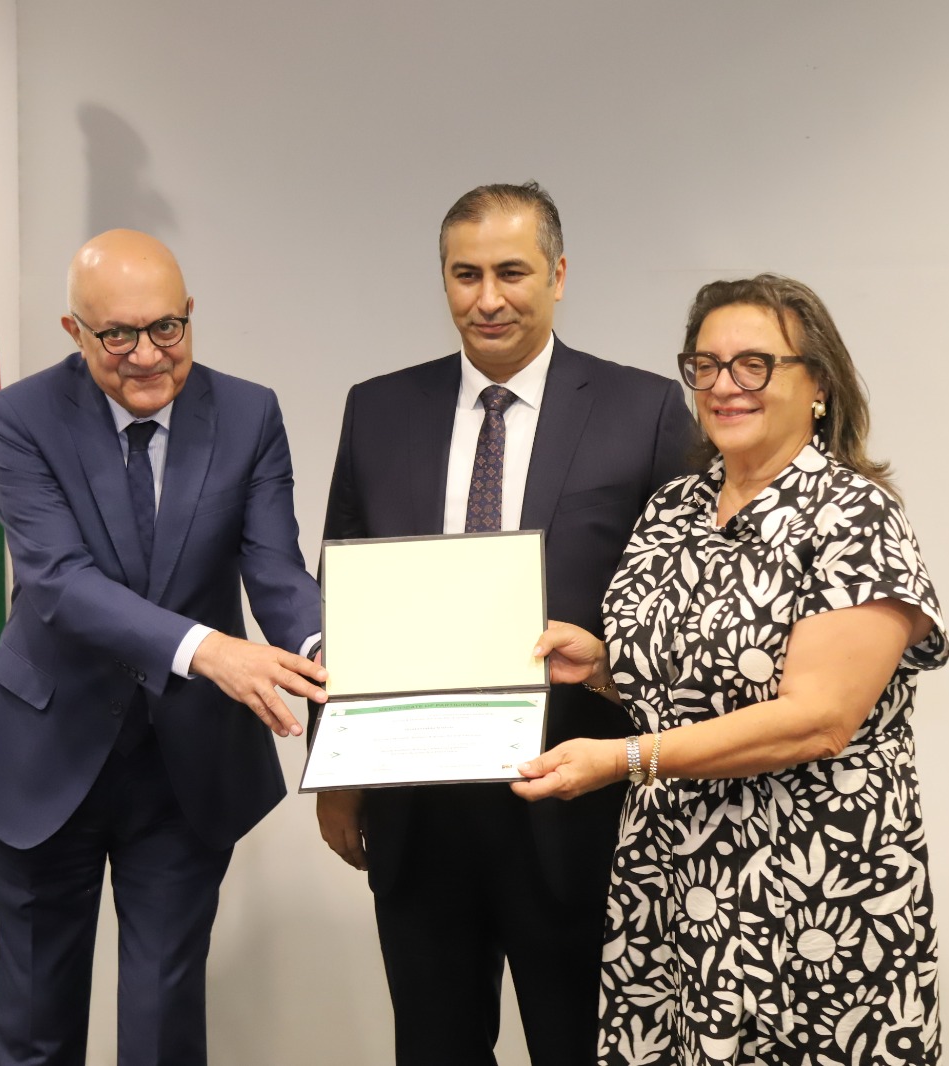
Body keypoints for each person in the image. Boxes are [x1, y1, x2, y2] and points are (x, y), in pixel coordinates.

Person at [513, 274, 949, 1064]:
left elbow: (819, 720)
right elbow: (688, 685)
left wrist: (624, 758)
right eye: (705, 365)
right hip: (672, 884)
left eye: (755, 364)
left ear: (819, 384)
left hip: (812, 894)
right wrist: (603, 667)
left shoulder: (854, 515)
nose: (723, 386)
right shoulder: (674, 508)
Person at [318, 182, 697, 1065]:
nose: (488, 298)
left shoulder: (643, 411)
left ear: (558, 276)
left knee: (583, 1049)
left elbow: (684, 600)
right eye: (466, 275)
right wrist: (336, 772)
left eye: (512, 272)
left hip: (577, 802)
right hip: (416, 805)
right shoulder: (377, 409)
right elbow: (342, 596)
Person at [0, 230, 328, 1066]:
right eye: (118, 335)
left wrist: (328, 645)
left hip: (185, 766)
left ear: (190, 315)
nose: (147, 355)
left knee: (163, 1024)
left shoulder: (249, 413)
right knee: (36, 1031)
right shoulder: (20, 417)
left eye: (166, 328)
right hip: (44, 756)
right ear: (74, 331)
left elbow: (274, 567)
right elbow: (59, 583)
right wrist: (209, 649)